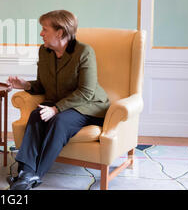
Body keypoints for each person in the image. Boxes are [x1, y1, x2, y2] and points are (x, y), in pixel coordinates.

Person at [6, 10, 110, 190]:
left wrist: (55, 109)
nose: (41, 34)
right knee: (37, 115)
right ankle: (25, 173)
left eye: (45, 29)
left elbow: (86, 92)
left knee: (59, 121)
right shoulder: (45, 52)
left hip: (89, 106)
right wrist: (25, 85)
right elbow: (44, 85)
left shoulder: (84, 52)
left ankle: (36, 175)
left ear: (60, 32)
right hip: (61, 104)